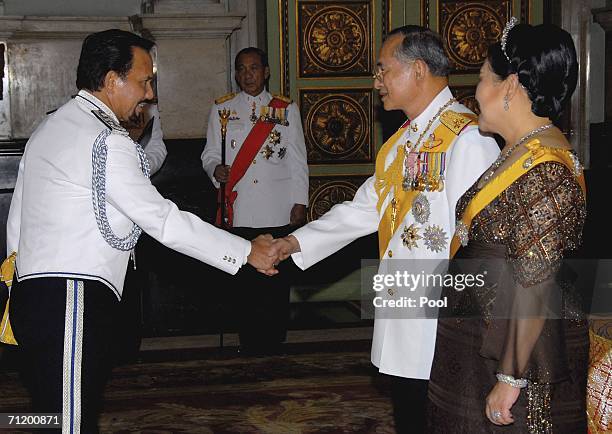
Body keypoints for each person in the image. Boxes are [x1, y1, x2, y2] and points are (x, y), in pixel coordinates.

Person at [4, 29, 279, 433]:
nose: (149, 93)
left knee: (52, 414)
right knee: (70, 422)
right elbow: (162, 220)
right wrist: (244, 252)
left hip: (37, 295)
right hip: (72, 300)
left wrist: (20, 286)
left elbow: (17, 220)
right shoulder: (104, 138)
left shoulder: (53, 125)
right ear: (113, 79)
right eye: (144, 80)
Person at [272, 26, 499, 432]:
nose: (376, 81)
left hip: (440, 323)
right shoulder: (403, 142)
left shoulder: (467, 139)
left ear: (416, 70)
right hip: (403, 315)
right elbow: (364, 208)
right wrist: (294, 242)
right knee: (410, 415)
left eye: (383, 70)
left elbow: (479, 242)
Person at [425, 20, 589, 432]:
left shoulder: (545, 171)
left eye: (482, 79)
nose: (476, 92)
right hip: (482, 338)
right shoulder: (517, 151)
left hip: (519, 356)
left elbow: (535, 282)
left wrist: (510, 377)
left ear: (511, 86)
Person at [201, 47, 309, 354]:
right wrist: (215, 170)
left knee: (276, 281)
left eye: (253, 68)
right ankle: (248, 339)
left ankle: (275, 339)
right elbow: (209, 153)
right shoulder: (223, 109)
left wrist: (299, 201)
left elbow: (298, 160)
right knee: (245, 283)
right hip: (241, 207)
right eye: (241, 69)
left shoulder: (286, 109)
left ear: (266, 72)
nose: (247, 75)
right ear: (236, 74)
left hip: (276, 207)